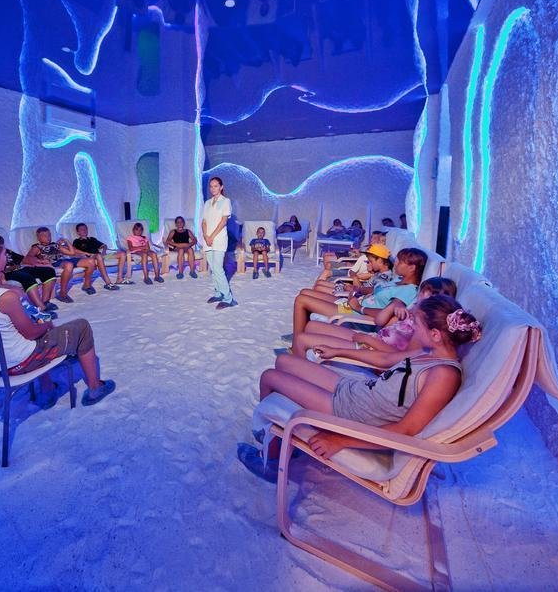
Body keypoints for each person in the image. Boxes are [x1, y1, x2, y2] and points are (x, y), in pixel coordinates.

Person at [237, 295, 481, 481]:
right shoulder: (429, 352)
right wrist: (337, 351)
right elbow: (385, 360)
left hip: (354, 412)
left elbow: (405, 430)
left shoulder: (443, 375)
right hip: (359, 390)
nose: (412, 327)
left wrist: (339, 440)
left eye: (416, 323)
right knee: (284, 362)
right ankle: (276, 439)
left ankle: (270, 458)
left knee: (269, 377)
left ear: (436, 334)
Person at [0, 232, 115, 407]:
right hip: (19, 363)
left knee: (33, 329)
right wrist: (47, 324)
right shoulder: (5, 298)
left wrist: (4, 287)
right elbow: (30, 333)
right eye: (4, 254)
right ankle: (95, 388)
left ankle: (47, 390)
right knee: (81, 326)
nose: (6, 257)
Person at [294, 276, 458, 361]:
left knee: (303, 338)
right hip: (374, 338)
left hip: (373, 348)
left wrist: (368, 338)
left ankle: (298, 365)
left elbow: (402, 358)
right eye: (423, 292)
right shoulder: (412, 311)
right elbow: (384, 324)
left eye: (430, 294)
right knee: (311, 327)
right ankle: (297, 354)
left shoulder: (424, 327)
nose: (422, 296)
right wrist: (397, 307)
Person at [290, 247, 426, 336]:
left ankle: (297, 344)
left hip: (357, 315)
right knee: (305, 292)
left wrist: (359, 307)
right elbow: (375, 289)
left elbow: (386, 314)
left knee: (301, 300)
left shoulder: (408, 291)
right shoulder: (398, 280)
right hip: (353, 304)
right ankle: (299, 329)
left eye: (400, 262)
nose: (395, 263)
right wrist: (357, 289)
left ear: (412, 268)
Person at [24, 227, 85, 304]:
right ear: (38, 237)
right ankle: (63, 293)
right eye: (45, 236)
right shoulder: (37, 247)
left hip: (62, 261)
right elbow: (28, 258)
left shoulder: (55, 245)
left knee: (81, 262)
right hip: (52, 263)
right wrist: (41, 261)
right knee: (69, 265)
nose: (48, 237)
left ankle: (84, 286)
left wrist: (66, 241)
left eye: (49, 235)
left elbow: (72, 253)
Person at [201, 176, 236, 309]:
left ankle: (228, 298)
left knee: (218, 268)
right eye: (211, 186)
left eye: (216, 186)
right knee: (213, 268)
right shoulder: (207, 203)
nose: (213, 188)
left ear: (221, 187)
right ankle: (218, 293)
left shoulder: (226, 201)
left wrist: (212, 236)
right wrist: (206, 236)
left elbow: (223, 222)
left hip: (219, 239)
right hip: (207, 239)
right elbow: (204, 221)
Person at [70, 223, 121, 294]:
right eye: (82, 229)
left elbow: (104, 246)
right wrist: (84, 255)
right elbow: (75, 251)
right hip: (91, 258)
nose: (84, 230)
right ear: (78, 232)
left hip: (102, 256)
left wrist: (104, 252)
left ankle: (119, 279)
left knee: (122, 254)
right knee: (98, 256)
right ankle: (108, 283)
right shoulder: (77, 241)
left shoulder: (92, 239)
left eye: (85, 229)